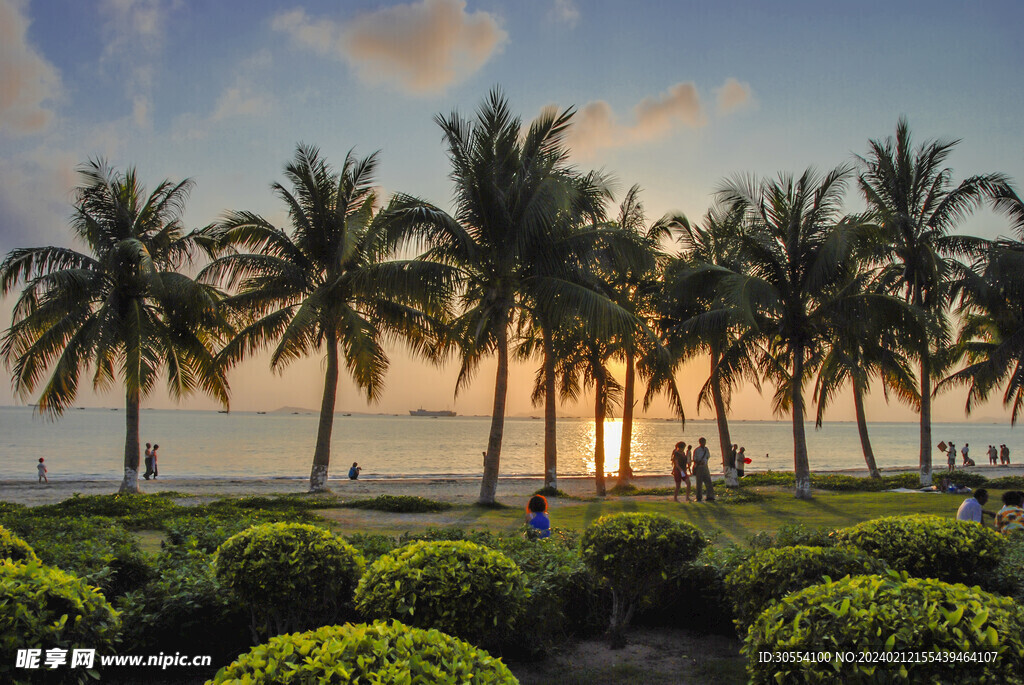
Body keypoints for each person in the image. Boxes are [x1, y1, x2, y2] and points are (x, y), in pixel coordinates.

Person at [691, 437, 715, 502]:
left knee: (708, 481)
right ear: (700, 442)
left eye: (704, 442)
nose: (704, 443)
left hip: (705, 466)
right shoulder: (697, 450)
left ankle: (710, 496)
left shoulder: (706, 449)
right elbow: (694, 459)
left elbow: (708, 456)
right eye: (702, 442)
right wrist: (699, 462)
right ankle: (698, 497)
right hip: (699, 467)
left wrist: (705, 462)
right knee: (699, 483)